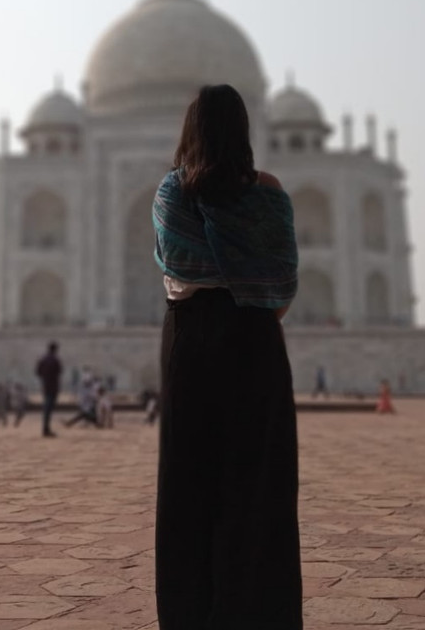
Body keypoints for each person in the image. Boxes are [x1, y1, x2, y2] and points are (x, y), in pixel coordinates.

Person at [152, 84, 302, 628]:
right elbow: (281, 285)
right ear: (245, 130)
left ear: (190, 129)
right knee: (258, 487)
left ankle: (191, 616)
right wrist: (250, 309)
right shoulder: (269, 191)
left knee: (188, 489)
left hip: (191, 342)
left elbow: (175, 277)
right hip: (256, 341)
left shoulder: (172, 193)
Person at [35, 342, 62, 438]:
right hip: (53, 386)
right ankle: (46, 429)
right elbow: (59, 372)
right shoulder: (55, 360)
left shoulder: (43, 360)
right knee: (49, 408)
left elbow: (37, 372)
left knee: (46, 408)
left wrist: (45, 378)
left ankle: (45, 428)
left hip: (45, 386)